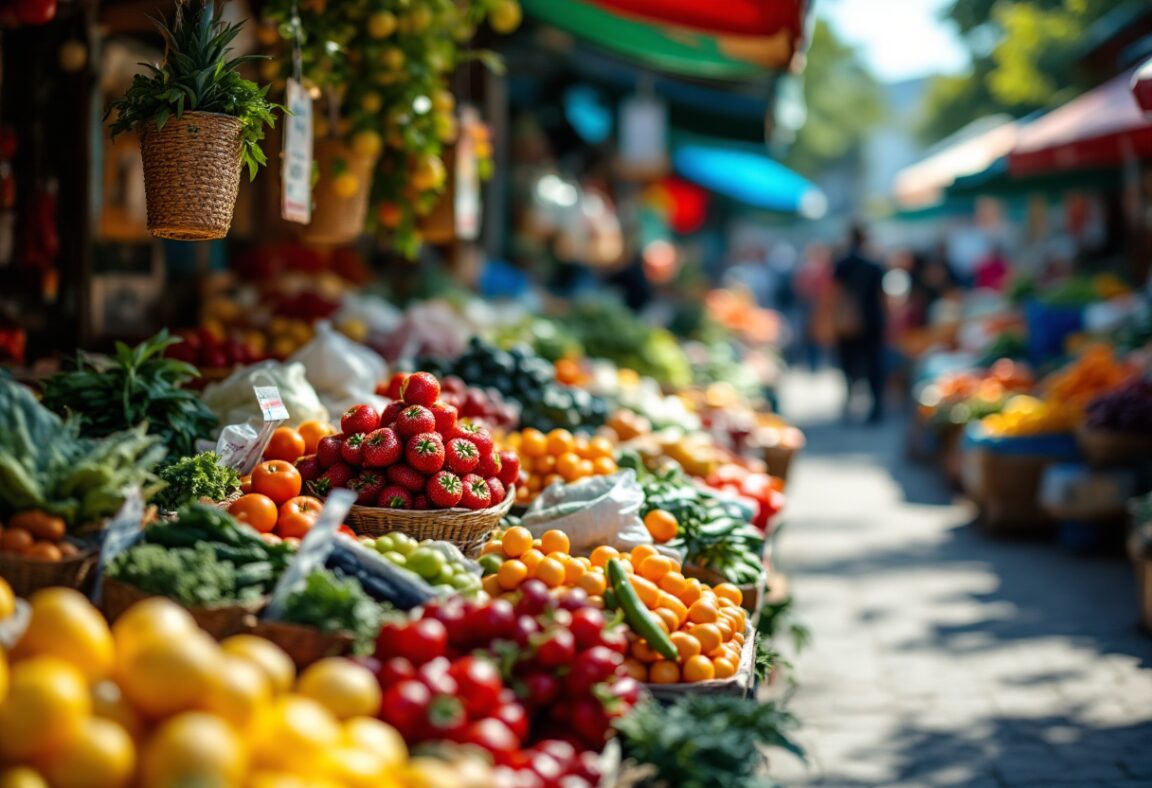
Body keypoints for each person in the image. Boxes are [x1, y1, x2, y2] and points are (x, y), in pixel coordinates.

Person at [832, 224, 887, 424]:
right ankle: (876, 406)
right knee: (874, 364)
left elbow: (834, 294)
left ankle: (850, 402)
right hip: (872, 320)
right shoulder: (875, 264)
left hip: (847, 323)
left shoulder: (842, 264)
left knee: (848, 364)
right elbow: (883, 296)